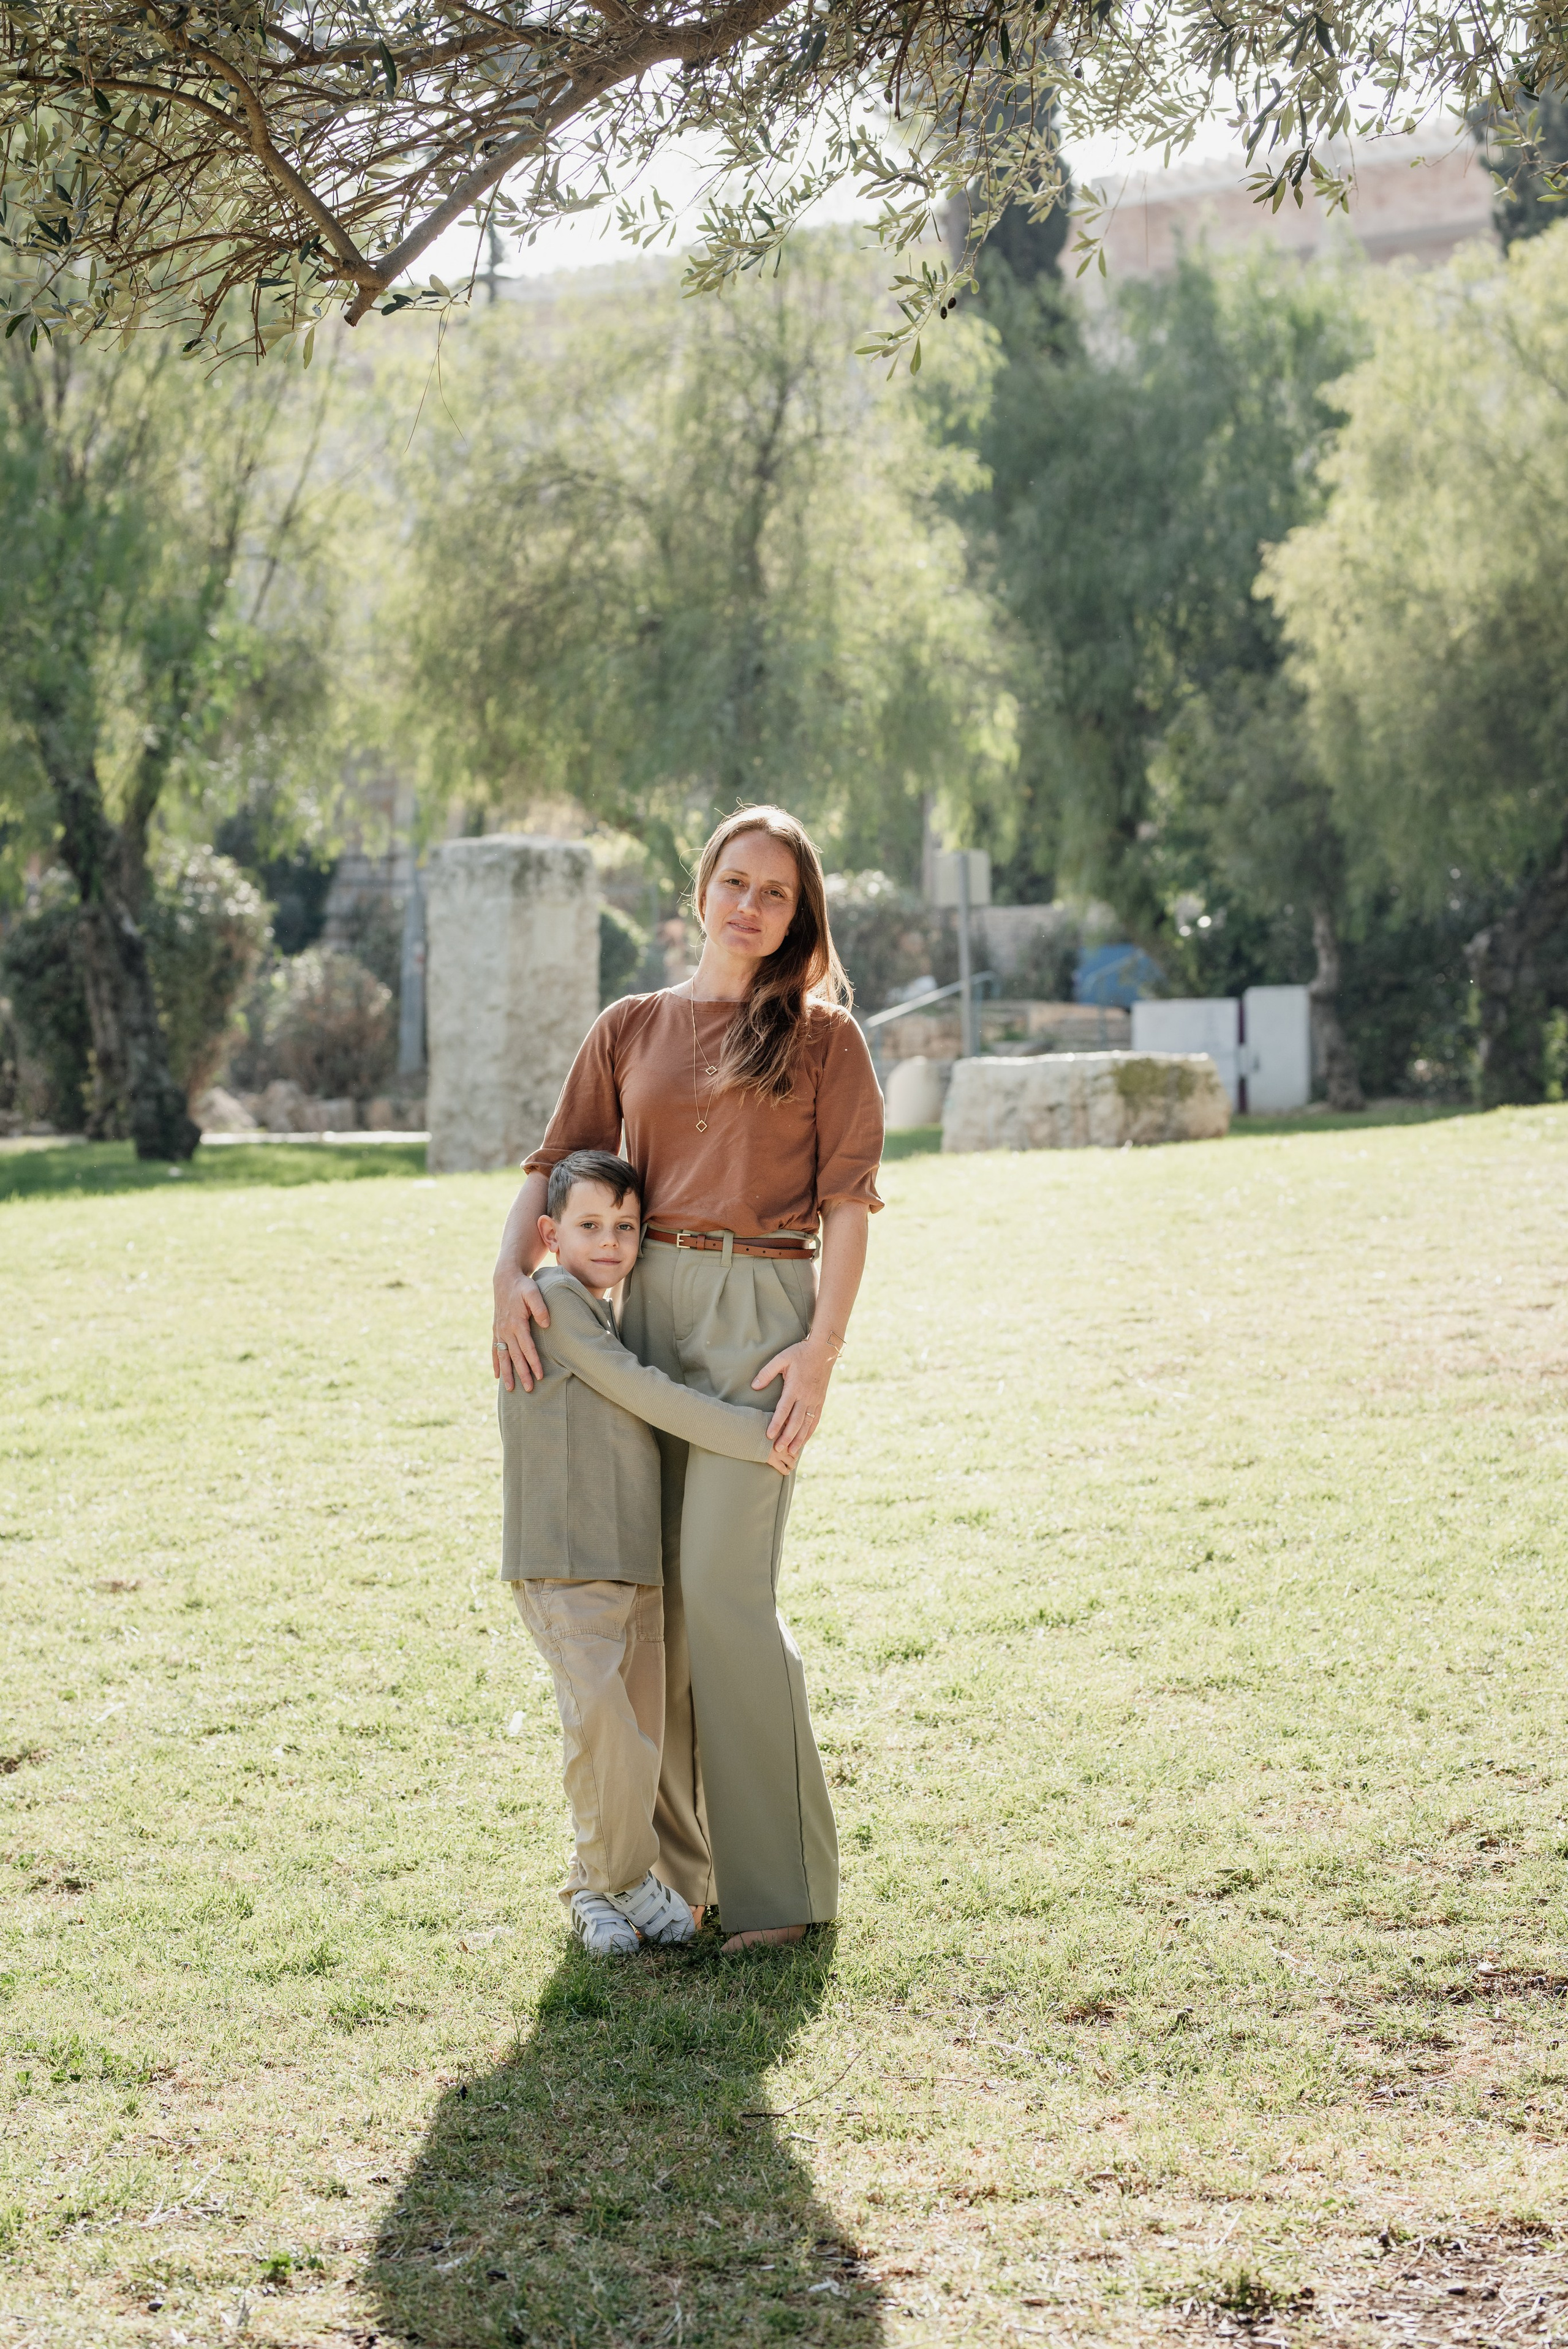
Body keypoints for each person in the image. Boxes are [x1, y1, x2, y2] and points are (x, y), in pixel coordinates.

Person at [492, 805, 884, 1953]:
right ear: (700, 886)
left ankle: (780, 1893)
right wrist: (504, 1279)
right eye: (735, 881)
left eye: (776, 893)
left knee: (723, 1593)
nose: (750, 905)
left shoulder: (824, 1040)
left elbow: (848, 1210)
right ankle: (674, 1880)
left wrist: (823, 1350)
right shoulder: (632, 1026)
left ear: (795, 915)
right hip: (642, 1310)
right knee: (654, 1606)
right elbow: (552, 1168)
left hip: (764, 1315)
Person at [500, 1148, 793, 1959]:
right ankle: (623, 1879)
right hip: (568, 1558)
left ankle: (596, 1893)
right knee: (605, 1733)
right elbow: (645, 1392)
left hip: (633, 1568)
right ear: (552, 1234)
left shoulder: (604, 1310)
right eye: (591, 1226)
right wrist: (757, 1436)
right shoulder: (555, 1300)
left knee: (626, 1750)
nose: (611, 1241)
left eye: (626, 1228)